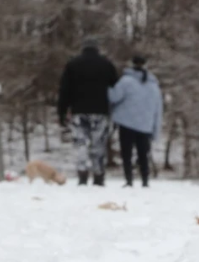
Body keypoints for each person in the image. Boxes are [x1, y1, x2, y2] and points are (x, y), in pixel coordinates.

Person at [57, 37, 119, 186]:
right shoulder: (107, 64)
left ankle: (82, 173)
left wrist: (62, 112)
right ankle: (98, 175)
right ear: (97, 49)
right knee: (98, 144)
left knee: (80, 143)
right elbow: (116, 90)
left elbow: (64, 91)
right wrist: (116, 113)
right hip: (100, 110)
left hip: (79, 110)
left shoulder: (72, 65)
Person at [108, 54, 163, 188]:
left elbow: (113, 97)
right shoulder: (153, 85)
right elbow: (158, 109)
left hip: (126, 123)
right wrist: (156, 130)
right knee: (143, 154)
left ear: (131, 64)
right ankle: (145, 180)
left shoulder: (126, 81)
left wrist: (108, 86)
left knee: (126, 153)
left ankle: (129, 180)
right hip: (146, 125)